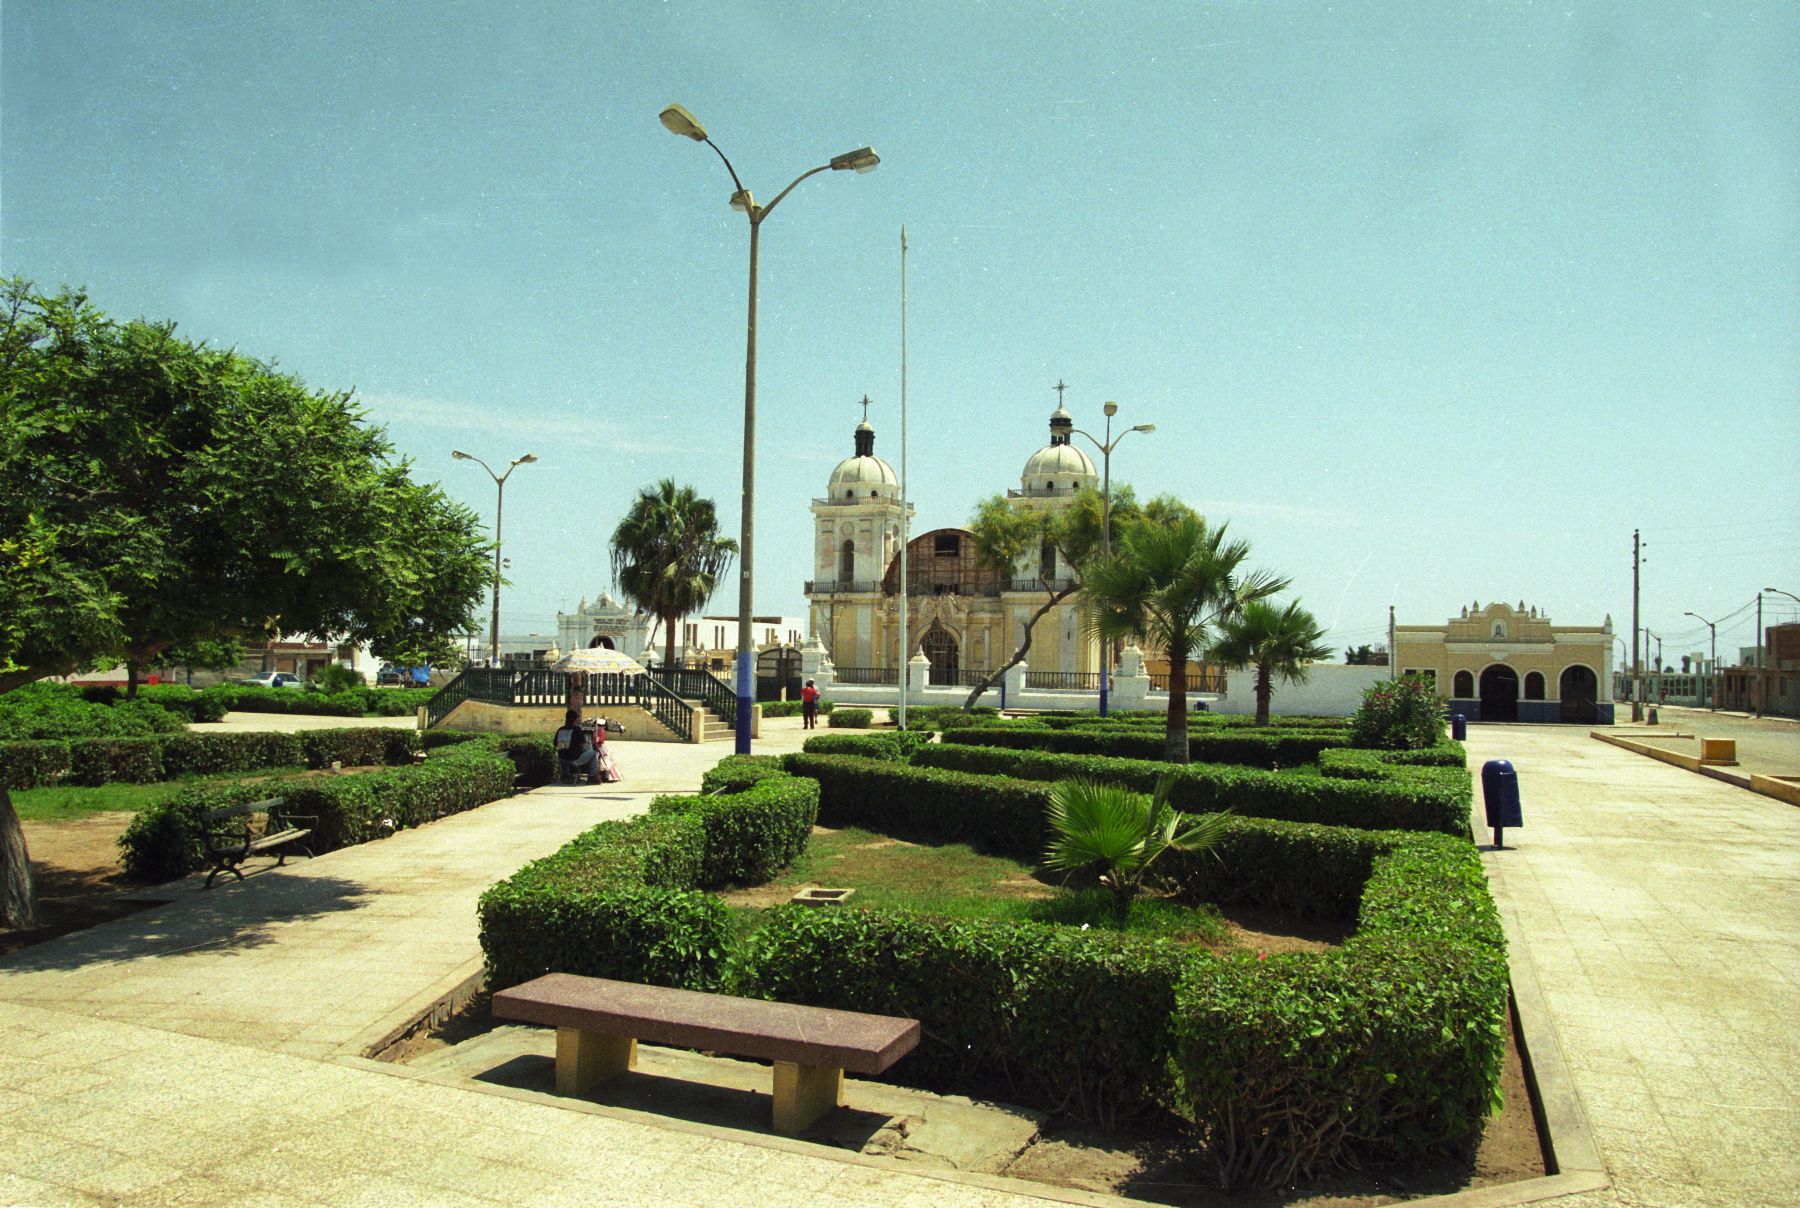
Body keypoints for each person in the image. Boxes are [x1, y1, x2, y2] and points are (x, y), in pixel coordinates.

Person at [553, 708, 597, 784]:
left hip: (561, 759)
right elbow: (583, 744)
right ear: (575, 719)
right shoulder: (577, 729)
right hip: (574, 760)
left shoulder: (560, 729)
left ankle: (565, 775)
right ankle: (592, 777)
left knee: (564, 755)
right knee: (592, 753)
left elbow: (555, 744)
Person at [593, 716, 621, 783]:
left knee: (607, 762)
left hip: (600, 747)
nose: (600, 726)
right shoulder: (599, 730)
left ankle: (604, 775)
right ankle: (604, 775)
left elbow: (597, 740)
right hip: (600, 747)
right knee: (604, 762)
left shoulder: (599, 731)